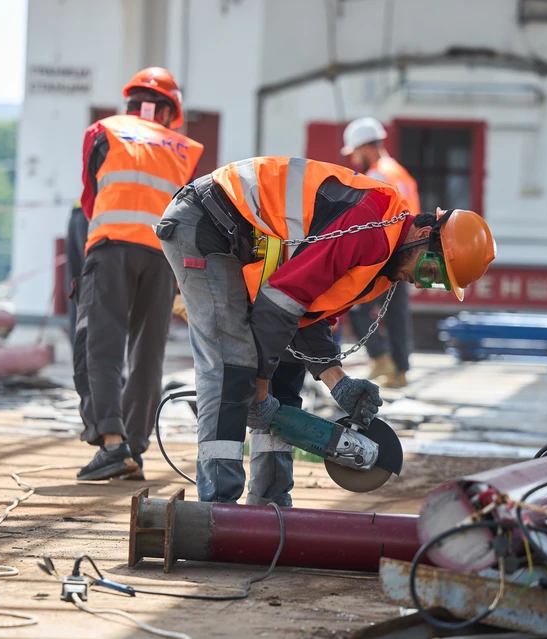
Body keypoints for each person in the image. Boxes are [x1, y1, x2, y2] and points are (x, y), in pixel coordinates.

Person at [157, 157, 496, 505]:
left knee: (285, 371)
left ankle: (269, 503)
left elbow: (304, 314)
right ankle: (219, 508)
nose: (421, 284)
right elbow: (284, 298)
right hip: (207, 222)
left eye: (434, 285)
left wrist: (339, 382)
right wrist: (257, 390)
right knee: (234, 365)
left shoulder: (385, 264)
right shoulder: (372, 227)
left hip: (246, 245)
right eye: (429, 272)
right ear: (424, 236)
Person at [74, 67, 204, 481]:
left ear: (131, 101)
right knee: (148, 353)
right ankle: (133, 448)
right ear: (169, 112)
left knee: (99, 343)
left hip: (112, 249)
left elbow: (90, 200)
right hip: (163, 257)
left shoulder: (103, 131)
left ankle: (113, 443)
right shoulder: (183, 148)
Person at [341, 117, 420, 388]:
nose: (354, 160)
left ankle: (380, 358)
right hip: (407, 252)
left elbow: (368, 220)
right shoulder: (398, 171)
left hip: (385, 253)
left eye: (355, 153)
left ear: (366, 148)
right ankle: (400, 370)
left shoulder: (376, 175)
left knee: (356, 308)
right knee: (397, 313)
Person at [65, 199, 88, 344]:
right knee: (93, 287)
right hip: (93, 214)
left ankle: (79, 355)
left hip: (78, 211)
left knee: (77, 287)